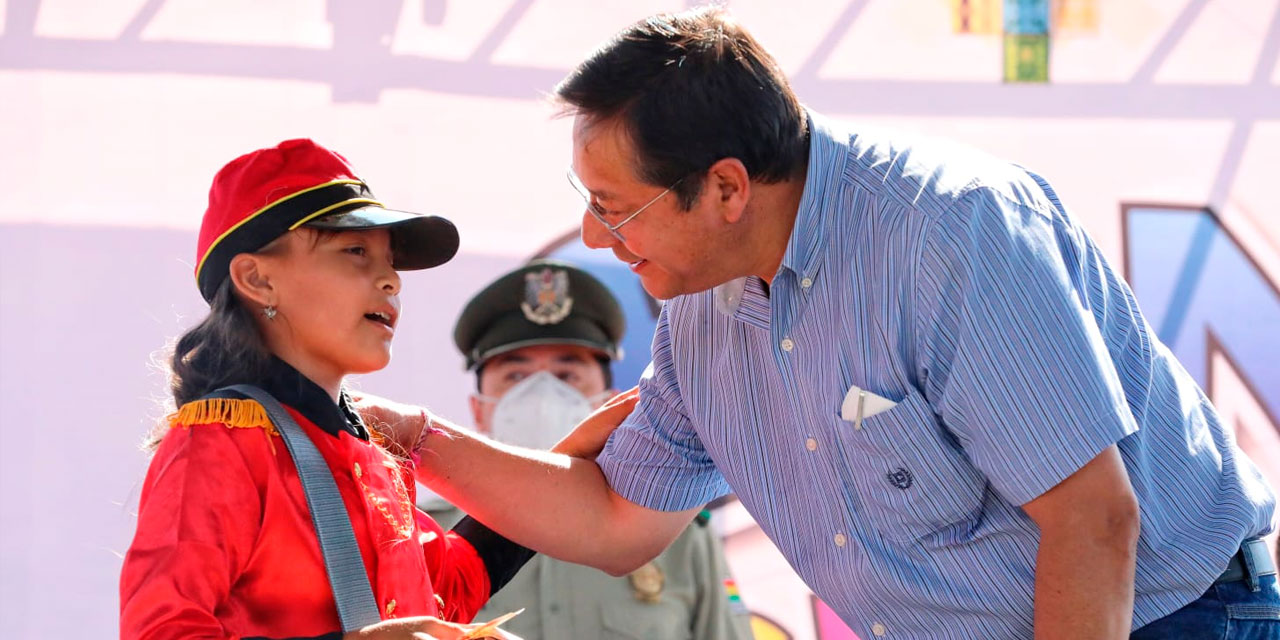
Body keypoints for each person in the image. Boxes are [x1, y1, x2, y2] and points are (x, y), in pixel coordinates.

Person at [368, 7, 1280, 640]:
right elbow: (617, 520)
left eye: (617, 207)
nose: (597, 240)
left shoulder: (947, 231)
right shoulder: (697, 312)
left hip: (1170, 615)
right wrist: (408, 438)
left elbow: (1094, 519)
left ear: (725, 188)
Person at [119, 139, 533, 640]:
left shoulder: (367, 455)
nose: (390, 281)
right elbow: (160, 631)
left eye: (390, 261)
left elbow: (452, 585)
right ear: (257, 279)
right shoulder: (218, 442)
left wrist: (594, 451)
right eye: (355, 251)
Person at [420, 259, 754, 640]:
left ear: (606, 402)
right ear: (479, 408)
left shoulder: (671, 531)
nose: (543, 396)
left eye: (566, 375)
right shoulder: (426, 537)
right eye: (515, 376)